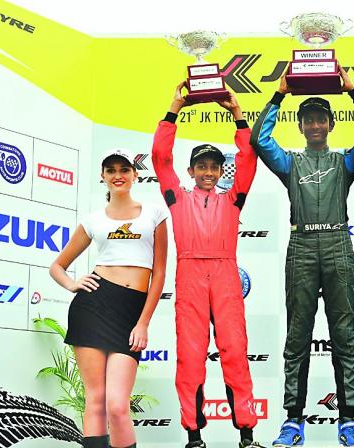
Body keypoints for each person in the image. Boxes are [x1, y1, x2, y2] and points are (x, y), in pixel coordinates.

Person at [250, 67, 354, 447]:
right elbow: (259, 140)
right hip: (302, 247)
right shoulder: (290, 162)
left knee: (344, 337)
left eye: (320, 119)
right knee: (297, 338)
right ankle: (293, 421)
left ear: (330, 123)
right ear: (301, 125)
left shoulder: (344, 162)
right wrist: (278, 96)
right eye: (307, 119)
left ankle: (348, 422)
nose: (314, 125)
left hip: (338, 245)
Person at [151, 83, 264, 448]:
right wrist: (174, 110)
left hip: (226, 275)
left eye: (214, 167)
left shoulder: (233, 200)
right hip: (190, 276)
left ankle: (247, 436)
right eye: (201, 166)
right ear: (191, 170)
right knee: (190, 357)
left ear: (220, 172)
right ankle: (194, 437)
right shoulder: (176, 197)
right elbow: (159, 158)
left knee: (235, 352)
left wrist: (239, 116)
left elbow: (248, 159)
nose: (208, 172)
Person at [50, 148, 168, 448]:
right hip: (92, 308)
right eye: (111, 170)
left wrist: (143, 323)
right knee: (97, 400)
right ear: (103, 176)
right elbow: (57, 266)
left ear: (134, 174)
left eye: (124, 169)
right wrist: (73, 284)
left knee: (117, 405)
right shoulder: (93, 220)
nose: (118, 175)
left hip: (130, 313)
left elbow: (160, 274)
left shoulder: (155, 213)